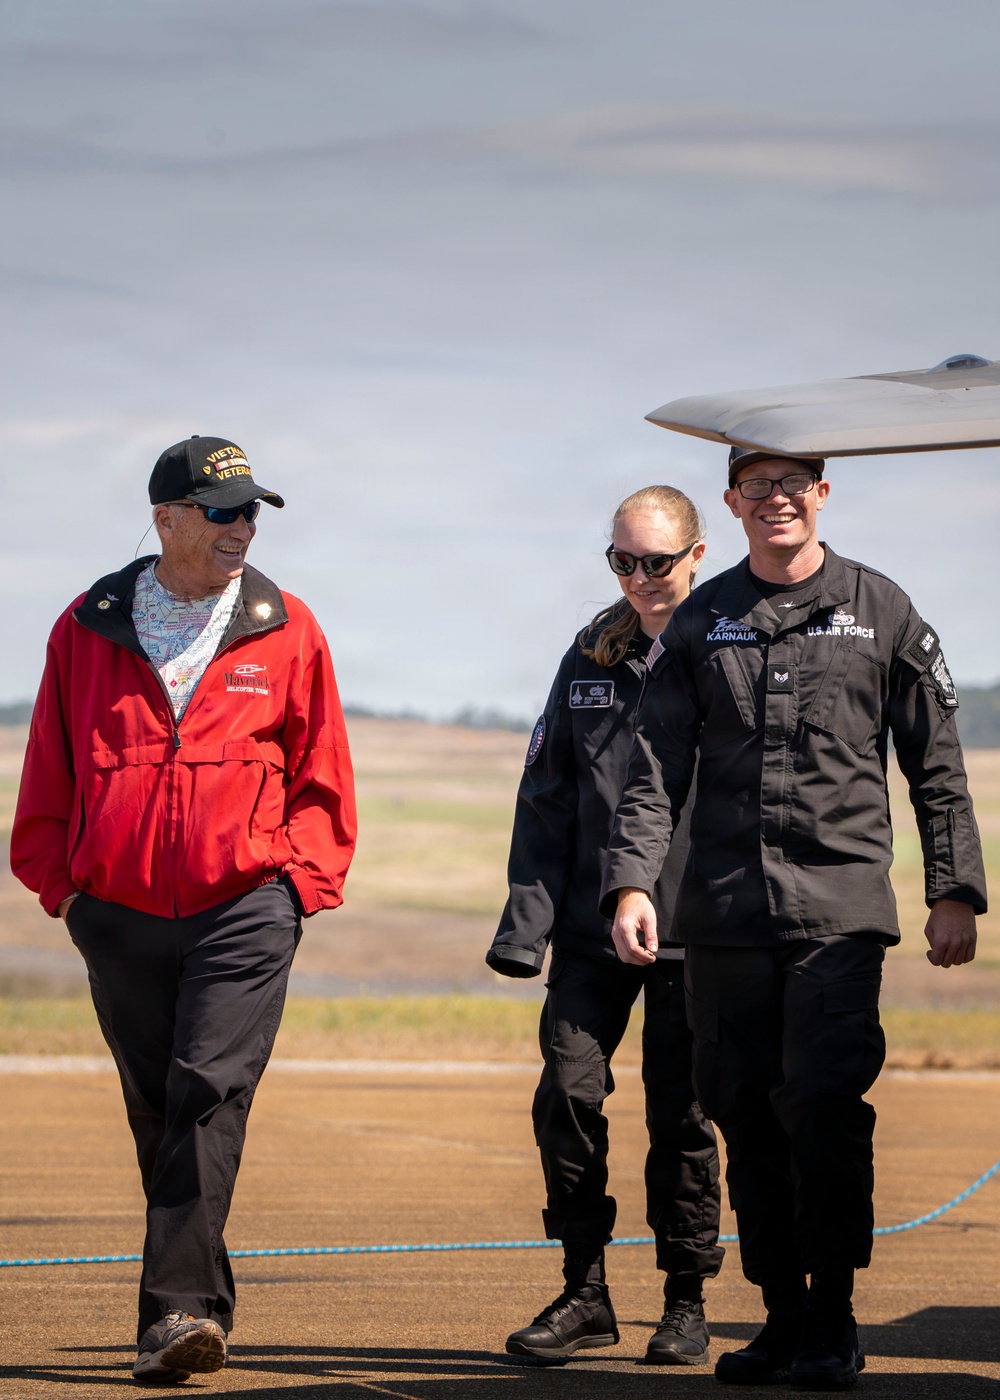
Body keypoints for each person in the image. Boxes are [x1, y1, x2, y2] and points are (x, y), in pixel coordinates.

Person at [604, 447, 987, 1389]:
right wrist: (633, 884)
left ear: (821, 493)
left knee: (821, 1105)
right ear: (733, 503)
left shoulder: (881, 610)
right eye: (757, 486)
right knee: (741, 1109)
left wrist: (952, 890)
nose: (775, 499)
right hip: (725, 915)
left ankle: (833, 1316)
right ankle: (779, 1313)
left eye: (792, 484)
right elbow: (653, 768)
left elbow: (935, 762)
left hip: (838, 910)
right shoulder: (702, 620)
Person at [11, 435, 357, 1384]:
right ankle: (201, 1300)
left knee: (207, 1090)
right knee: (161, 1110)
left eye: (252, 512)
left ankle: (171, 1314)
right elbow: (50, 766)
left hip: (245, 904)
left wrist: (296, 887)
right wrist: (63, 889)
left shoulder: (288, 627)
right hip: (115, 910)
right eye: (222, 512)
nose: (243, 529)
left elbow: (323, 772)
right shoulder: (87, 626)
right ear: (165, 518)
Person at [487, 485, 724, 1365]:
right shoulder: (590, 655)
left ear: (697, 553)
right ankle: (584, 1291)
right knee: (566, 1095)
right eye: (623, 560)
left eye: (657, 561)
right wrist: (526, 928)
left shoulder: (731, 649)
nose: (640, 577)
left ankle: (686, 1301)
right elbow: (544, 795)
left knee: (683, 1116)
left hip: (696, 932)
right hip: (593, 931)